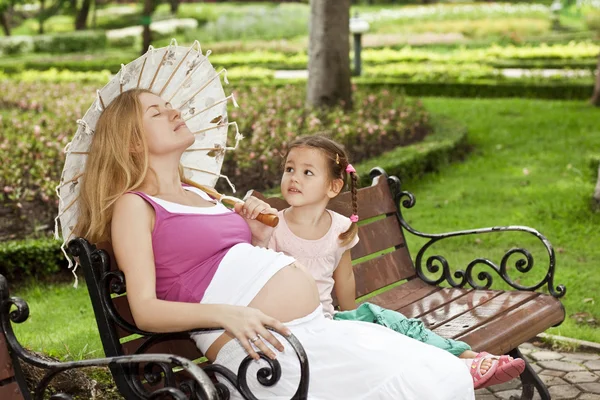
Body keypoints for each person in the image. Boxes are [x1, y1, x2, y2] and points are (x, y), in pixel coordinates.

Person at [74, 88, 475, 399]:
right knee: (417, 384)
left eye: (169, 105)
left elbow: (236, 265)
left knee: (437, 371)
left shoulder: (204, 195)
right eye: (156, 113)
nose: (174, 112)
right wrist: (227, 314)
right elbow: (144, 310)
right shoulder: (134, 206)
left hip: (309, 331)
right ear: (132, 143)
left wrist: (260, 237)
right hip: (260, 355)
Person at [268, 135, 526, 389]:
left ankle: (465, 358)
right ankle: (458, 364)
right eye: (289, 169)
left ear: (333, 187)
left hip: (328, 321)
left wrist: (353, 318)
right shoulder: (272, 227)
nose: (294, 177)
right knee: (382, 336)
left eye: (307, 172)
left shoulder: (340, 228)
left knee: (393, 323)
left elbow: (344, 277)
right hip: (296, 327)